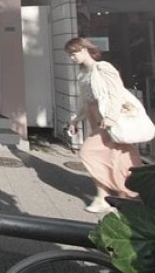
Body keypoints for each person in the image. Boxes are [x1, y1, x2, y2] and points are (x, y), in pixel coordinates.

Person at [65, 37, 142, 213]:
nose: (72, 58)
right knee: (115, 156)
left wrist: (111, 117)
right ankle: (118, 196)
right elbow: (84, 101)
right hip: (95, 117)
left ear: (85, 49)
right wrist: (75, 119)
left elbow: (116, 93)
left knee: (90, 152)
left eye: (74, 53)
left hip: (108, 119)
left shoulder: (103, 68)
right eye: (70, 55)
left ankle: (105, 197)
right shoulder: (82, 73)